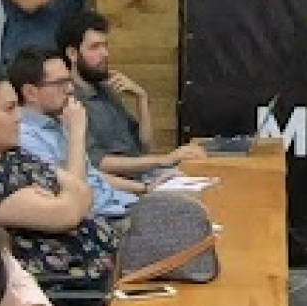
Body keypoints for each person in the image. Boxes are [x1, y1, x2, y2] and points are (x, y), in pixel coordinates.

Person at [0, 64, 118, 282]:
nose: (18, 118)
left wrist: (64, 197)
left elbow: (81, 190)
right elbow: (68, 213)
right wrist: (65, 198)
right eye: (9, 109)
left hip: (110, 263)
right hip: (74, 286)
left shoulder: (15, 155)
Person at [57, 11, 204, 192]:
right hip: (121, 187)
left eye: (105, 45)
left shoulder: (106, 89)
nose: (105, 53)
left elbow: (144, 146)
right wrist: (164, 159)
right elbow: (97, 163)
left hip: (147, 175)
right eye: (95, 47)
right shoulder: (70, 102)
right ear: (72, 53)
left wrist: (142, 98)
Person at [9, 47, 133, 221]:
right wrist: (76, 133)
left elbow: (92, 176)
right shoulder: (26, 137)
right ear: (31, 93)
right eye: (60, 83)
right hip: (100, 219)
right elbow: (73, 196)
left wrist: (145, 188)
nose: (69, 89)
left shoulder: (58, 119)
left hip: (120, 204)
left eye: (69, 81)